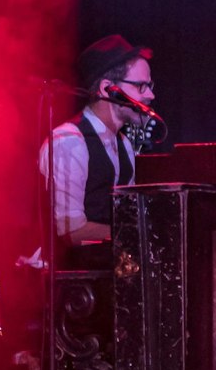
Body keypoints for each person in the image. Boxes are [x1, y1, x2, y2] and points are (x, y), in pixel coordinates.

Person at [37, 36, 155, 247]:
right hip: (69, 276)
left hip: (106, 272)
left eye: (150, 85)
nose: (151, 95)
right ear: (107, 88)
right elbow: (70, 232)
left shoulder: (125, 145)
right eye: (141, 86)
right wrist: (141, 234)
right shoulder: (68, 142)